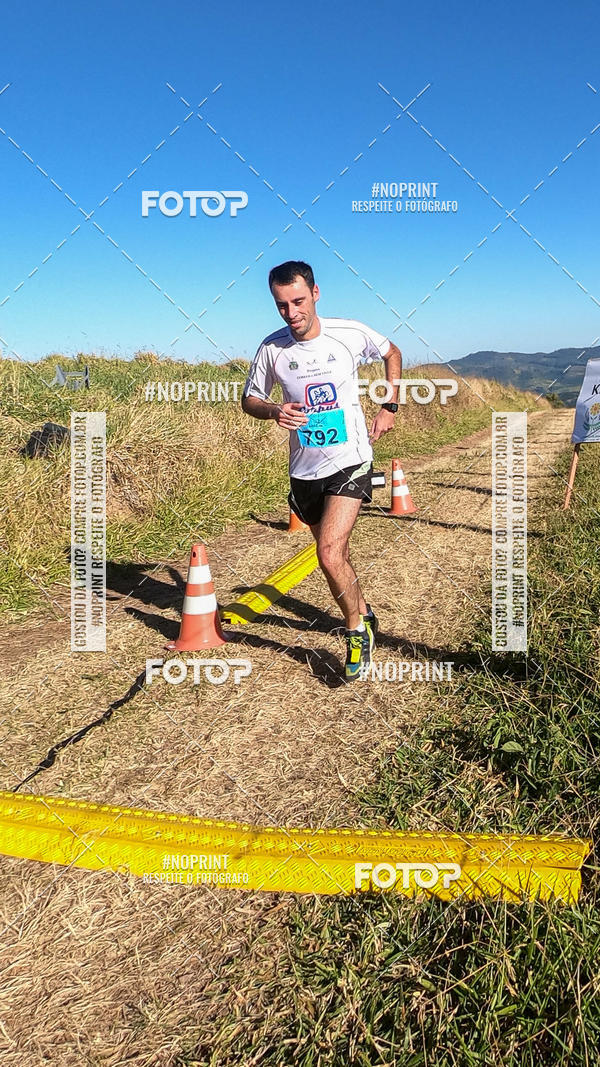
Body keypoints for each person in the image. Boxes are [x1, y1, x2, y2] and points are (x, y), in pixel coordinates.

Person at [241, 260, 402, 680]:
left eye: (297, 301)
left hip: (351, 458)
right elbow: (250, 399)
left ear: (315, 293)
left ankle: (354, 634)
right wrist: (275, 409)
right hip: (305, 468)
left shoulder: (348, 332)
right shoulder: (272, 348)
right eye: (281, 305)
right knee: (337, 556)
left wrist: (390, 405)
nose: (291, 313)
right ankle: (363, 613)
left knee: (328, 554)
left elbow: (392, 353)